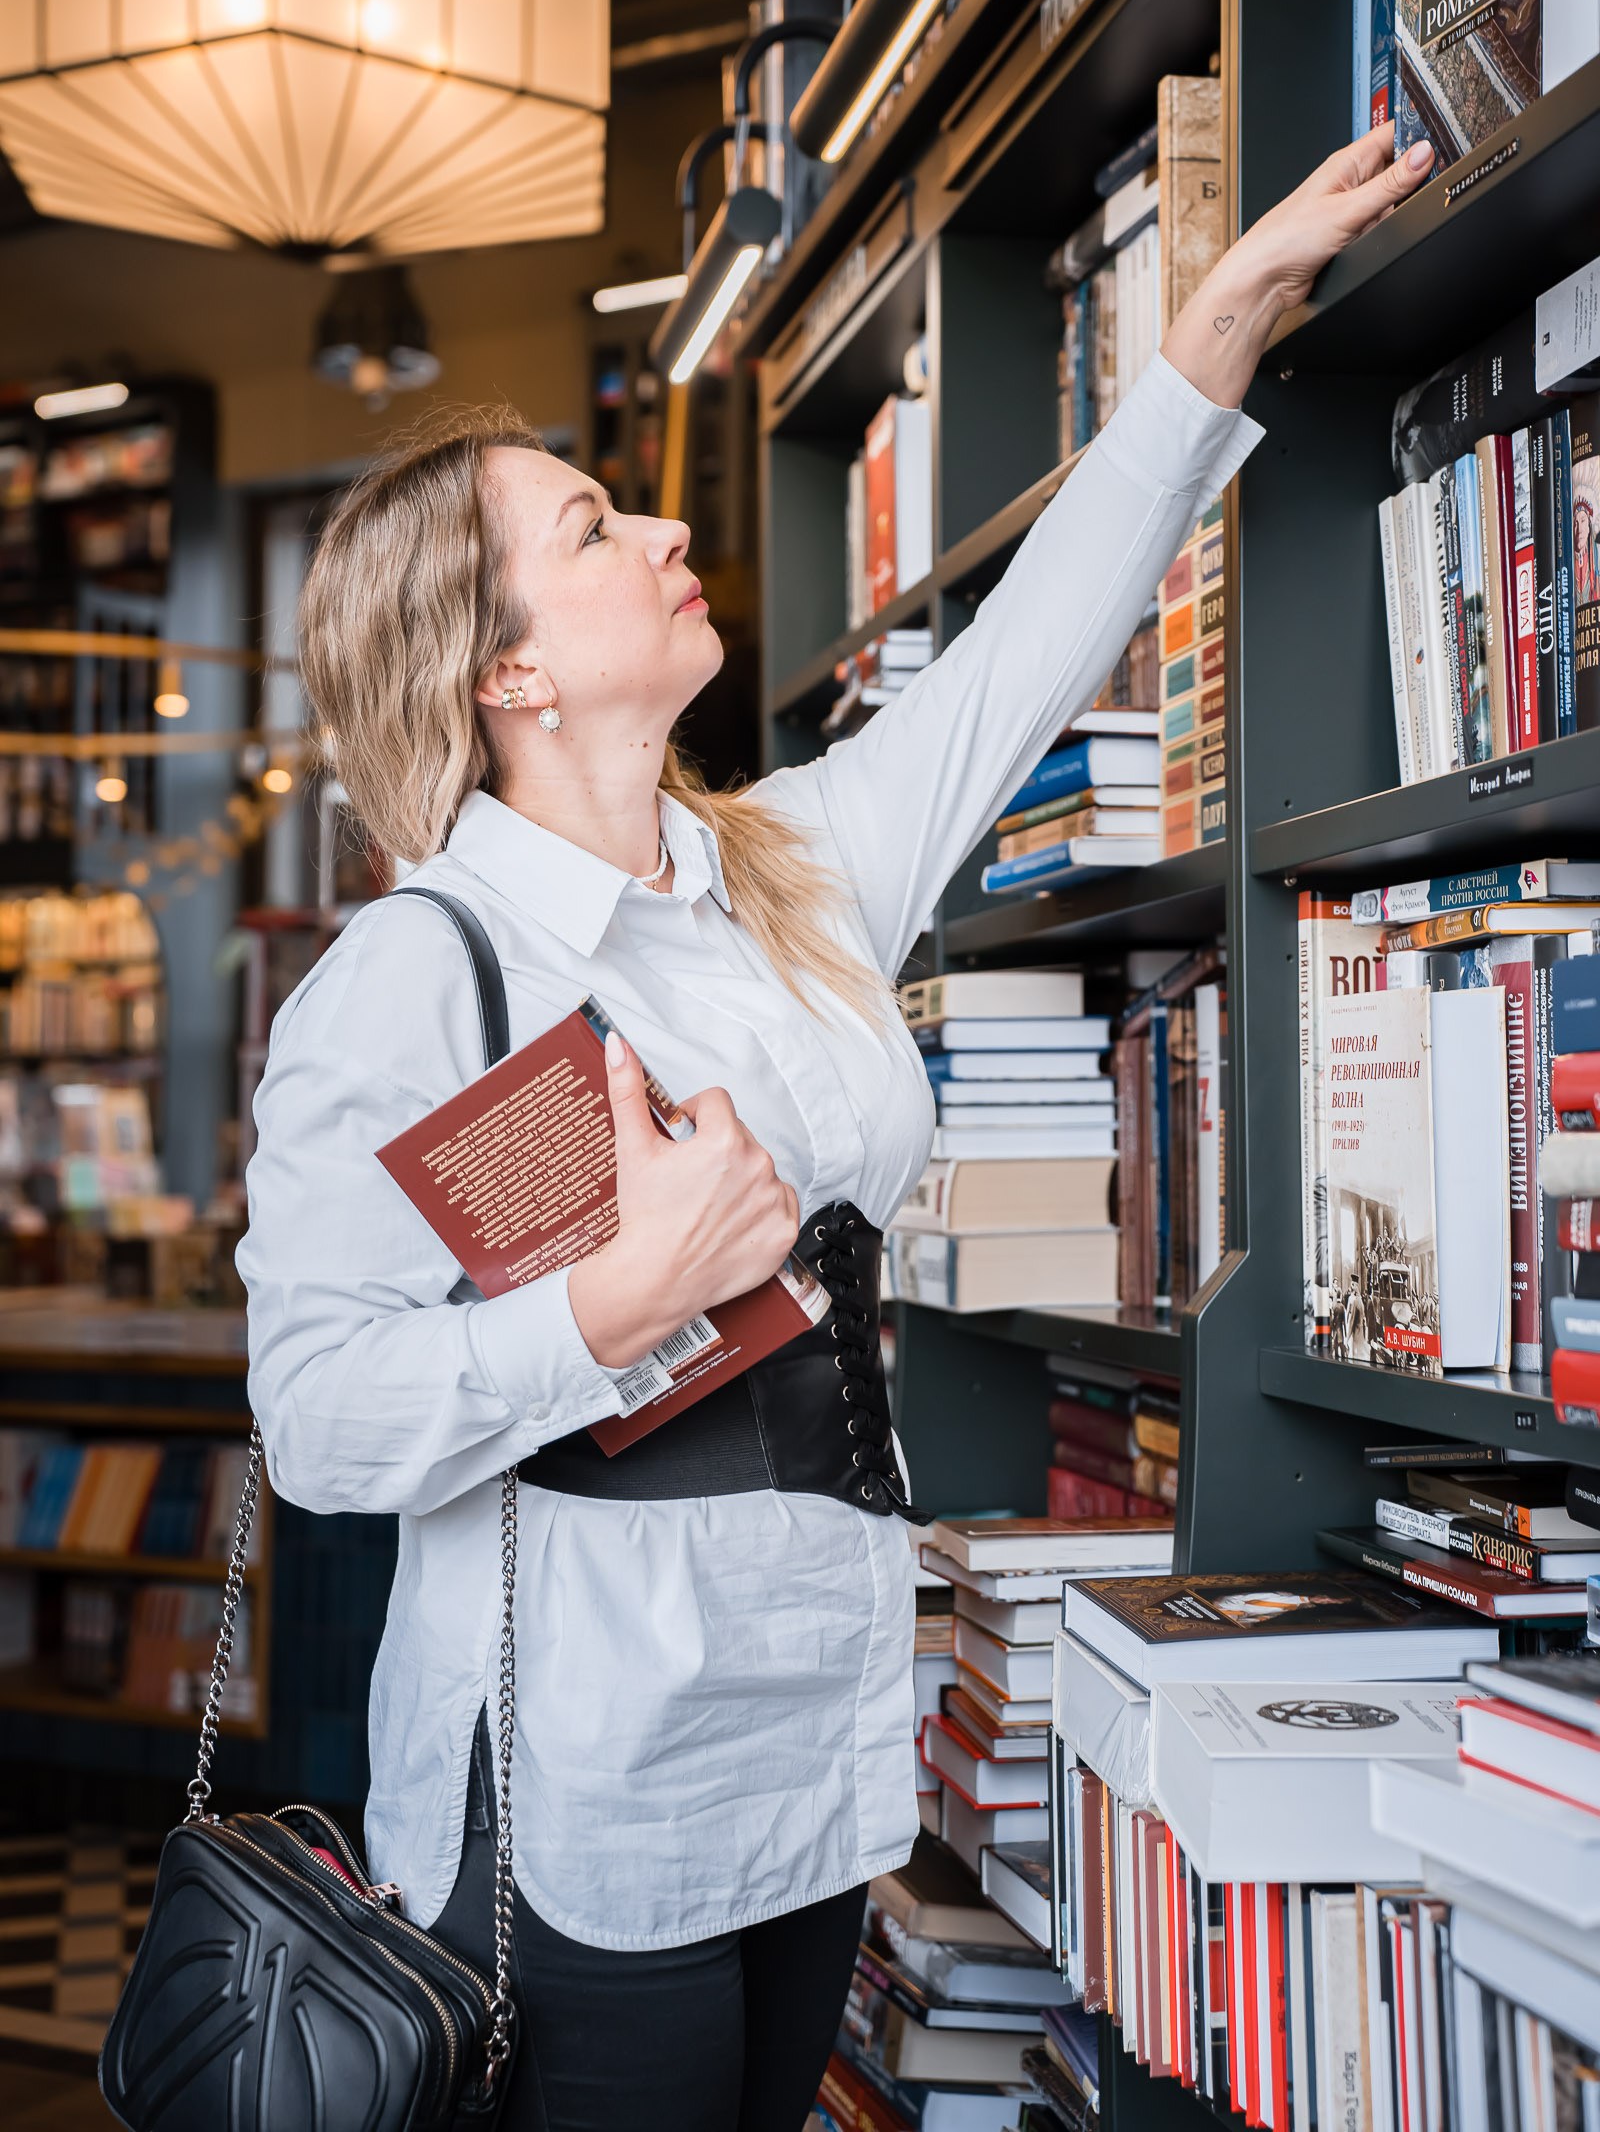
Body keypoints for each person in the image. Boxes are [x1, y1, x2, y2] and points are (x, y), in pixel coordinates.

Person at [238, 121, 1433, 2132]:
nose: (657, 539)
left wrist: (1216, 318)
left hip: (806, 1737)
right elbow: (321, 1418)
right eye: (596, 528)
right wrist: (624, 1288)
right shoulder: (414, 981)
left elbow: (1023, 653)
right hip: (574, 1786)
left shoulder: (782, 864)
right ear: (509, 667)